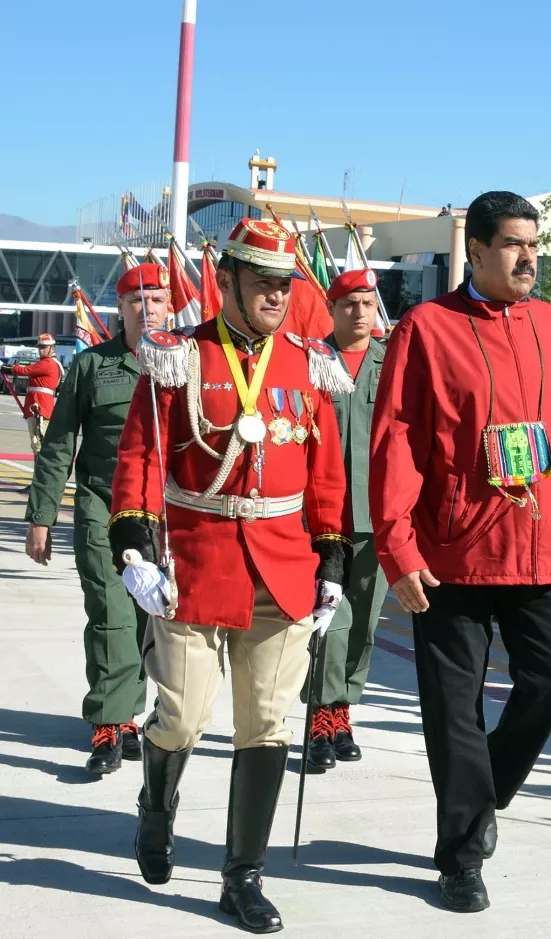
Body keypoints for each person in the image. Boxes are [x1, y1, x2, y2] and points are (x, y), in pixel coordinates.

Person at [108, 219, 351, 934]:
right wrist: (136, 550)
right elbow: (140, 458)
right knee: (181, 715)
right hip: (195, 562)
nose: (278, 294)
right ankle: (156, 808)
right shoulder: (180, 357)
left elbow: (327, 475)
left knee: (266, 724)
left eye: (286, 283)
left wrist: (332, 563)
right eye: (264, 280)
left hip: (282, 570)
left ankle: (241, 875)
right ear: (232, 279)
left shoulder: (308, 364)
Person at [369, 191, 551, 913]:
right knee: (453, 709)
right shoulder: (425, 330)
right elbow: (395, 442)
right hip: (452, 556)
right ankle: (462, 855)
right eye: (512, 244)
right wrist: (397, 545)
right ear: (473, 251)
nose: (528, 256)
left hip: (546, 550)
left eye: (535, 243)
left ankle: (482, 792)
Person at [22, 267, 170, 773]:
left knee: (158, 621)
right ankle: (111, 720)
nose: (147, 308)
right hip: (102, 508)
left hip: (165, 516)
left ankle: (141, 714)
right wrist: (41, 516)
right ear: (120, 307)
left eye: (156, 299)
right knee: (112, 613)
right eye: (136, 299)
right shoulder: (91, 366)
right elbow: (59, 444)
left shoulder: (184, 364)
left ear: (169, 306)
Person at [304, 268, 388, 769]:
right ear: (332, 310)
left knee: (364, 623)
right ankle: (319, 713)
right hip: (323, 516)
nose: (359, 313)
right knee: (327, 621)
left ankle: (343, 710)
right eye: (348, 304)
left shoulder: (392, 360)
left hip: (377, 516)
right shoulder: (311, 361)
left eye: (366, 304)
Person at [1, 332, 63, 458]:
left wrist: (7, 368)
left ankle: (40, 474)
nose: (41, 350)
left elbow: (26, 370)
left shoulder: (48, 363)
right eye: (39, 347)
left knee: (38, 443)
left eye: (44, 347)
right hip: (37, 407)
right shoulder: (49, 363)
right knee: (37, 443)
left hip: (39, 408)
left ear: (52, 348)